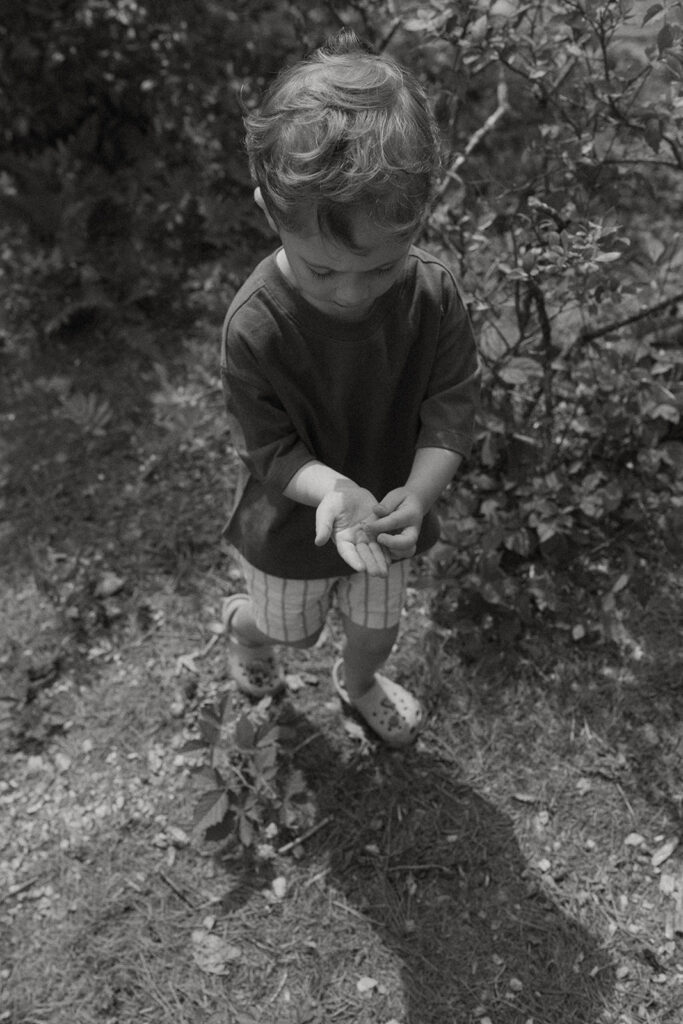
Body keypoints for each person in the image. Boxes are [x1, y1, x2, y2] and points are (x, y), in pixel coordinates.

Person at [220, 29, 479, 748]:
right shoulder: (255, 327)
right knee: (287, 629)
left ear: (418, 221)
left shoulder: (432, 294)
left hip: (389, 513)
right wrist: (333, 491)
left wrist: (421, 493)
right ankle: (244, 631)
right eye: (322, 270)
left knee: (378, 624)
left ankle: (358, 684)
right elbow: (269, 447)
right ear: (270, 214)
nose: (351, 292)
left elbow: (451, 401)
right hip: (298, 517)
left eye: (380, 265)